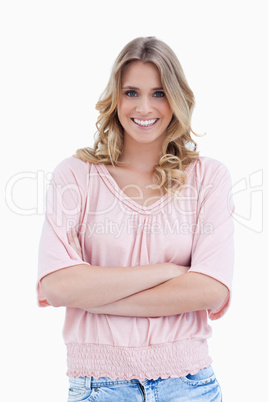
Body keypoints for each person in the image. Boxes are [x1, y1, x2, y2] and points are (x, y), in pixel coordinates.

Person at [37, 36, 234, 401]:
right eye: (132, 92)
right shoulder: (75, 175)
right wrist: (167, 272)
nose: (145, 107)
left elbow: (211, 289)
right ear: (115, 97)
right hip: (99, 387)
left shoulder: (209, 177)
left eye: (159, 93)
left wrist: (92, 296)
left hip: (190, 386)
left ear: (177, 99)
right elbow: (57, 286)